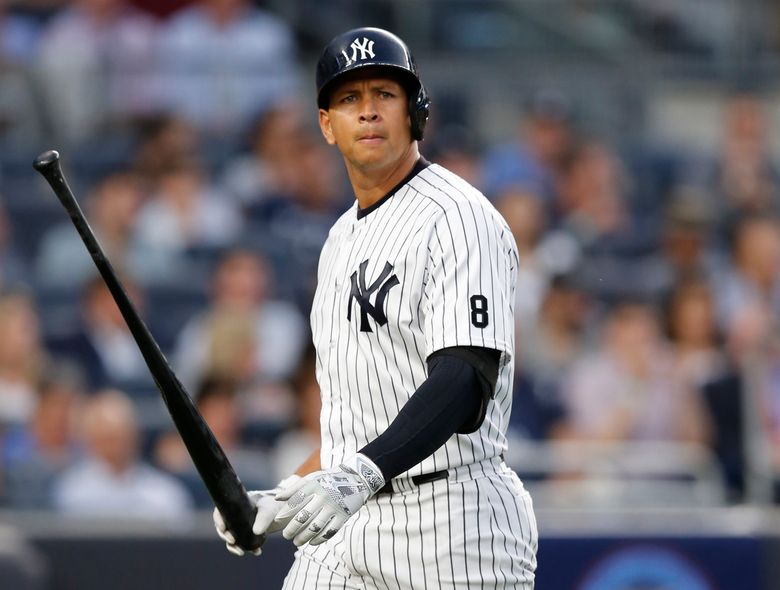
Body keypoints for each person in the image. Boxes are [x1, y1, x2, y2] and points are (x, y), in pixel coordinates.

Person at [213, 27, 537, 588]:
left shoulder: (461, 217)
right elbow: (353, 419)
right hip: (349, 521)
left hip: (452, 525)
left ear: (414, 110)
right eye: (348, 99)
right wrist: (287, 495)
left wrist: (357, 476)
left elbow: (464, 379)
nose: (367, 113)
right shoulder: (339, 238)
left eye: (383, 95)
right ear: (325, 125)